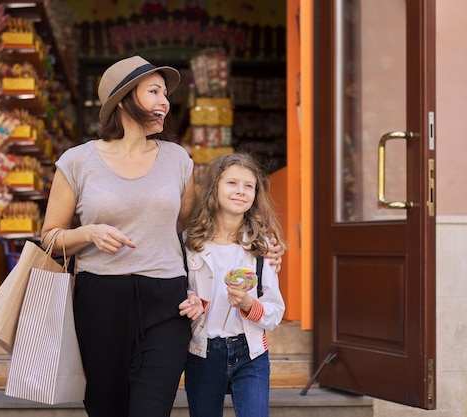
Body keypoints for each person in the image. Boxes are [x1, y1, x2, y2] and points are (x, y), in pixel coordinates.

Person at [40, 55, 283, 417]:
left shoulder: (177, 159)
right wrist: (87, 232)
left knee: (152, 408)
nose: (165, 102)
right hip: (101, 297)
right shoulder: (77, 161)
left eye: (166, 93)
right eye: (154, 91)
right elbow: (49, 237)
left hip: (166, 299)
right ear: (123, 100)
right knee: (106, 406)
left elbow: (196, 226)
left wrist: (257, 247)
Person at [181, 153, 287, 417]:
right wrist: (192, 299)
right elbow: (179, 290)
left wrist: (250, 304)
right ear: (214, 187)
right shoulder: (188, 244)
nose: (241, 191)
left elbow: (275, 311)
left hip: (250, 351)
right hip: (202, 351)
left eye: (248, 186)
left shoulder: (263, 246)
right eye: (232, 183)